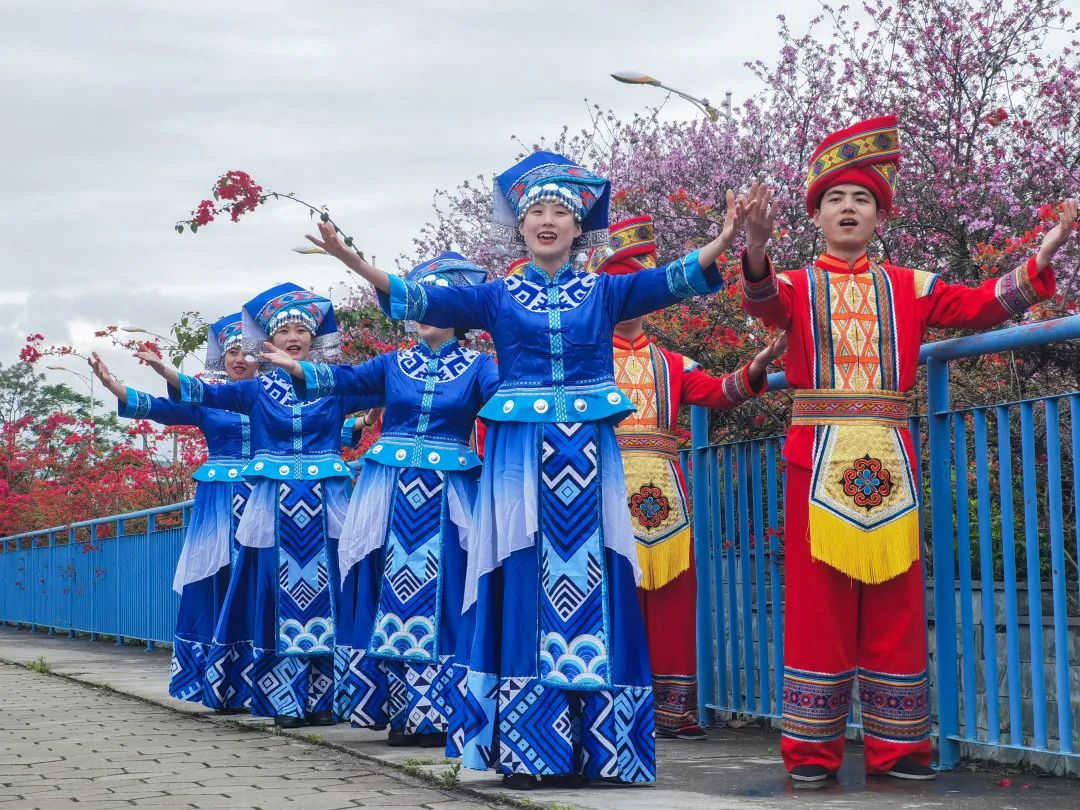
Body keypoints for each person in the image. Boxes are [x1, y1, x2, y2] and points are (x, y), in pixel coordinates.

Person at [302, 151, 750, 788]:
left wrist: (725, 241)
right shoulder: (494, 297)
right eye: (536, 211)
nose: (547, 221)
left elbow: (674, 281)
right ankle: (528, 750)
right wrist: (351, 260)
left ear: (577, 228)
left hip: (591, 453)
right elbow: (418, 297)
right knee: (521, 569)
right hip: (518, 457)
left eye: (559, 213)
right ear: (520, 227)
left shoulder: (604, 289)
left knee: (595, 572)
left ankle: (597, 753)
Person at [739, 114, 1077, 783]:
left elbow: (981, 305)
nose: (847, 208)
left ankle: (901, 750)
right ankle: (810, 752)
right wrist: (754, 244)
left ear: (881, 217)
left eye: (861, 199)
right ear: (816, 215)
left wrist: (1042, 258)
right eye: (835, 198)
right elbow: (760, 301)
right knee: (818, 606)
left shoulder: (910, 286)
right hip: (817, 456)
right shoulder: (797, 286)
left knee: (896, 604)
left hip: (889, 458)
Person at [262, 253, 499, 753]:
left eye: (438, 302)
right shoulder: (394, 364)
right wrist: (297, 367)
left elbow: (506, 406)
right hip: (391, 497)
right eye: (420, 302)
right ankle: (399, 710)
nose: (426, 312)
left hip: (450, 502)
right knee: (390, 595)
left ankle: (441, 713)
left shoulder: (480, 367)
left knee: (451, 597)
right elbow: (345, 380)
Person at [588, 215, 786, 739]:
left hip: (665, 502)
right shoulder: (585, 364)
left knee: (673, 600)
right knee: (611, 598)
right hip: (601, 494)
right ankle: (611, 705)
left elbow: (719, 394)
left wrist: (757, 367)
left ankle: (671, 712)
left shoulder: (673, 362)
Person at [147, 283, 381, 727]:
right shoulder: (256, 390)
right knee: (273, 595)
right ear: (269, 340)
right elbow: (204, 395)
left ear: (314, 338)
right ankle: (282, 702)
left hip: (326, 506)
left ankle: (329, 700)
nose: (294, 337)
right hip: (273, 509)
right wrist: (166, 370)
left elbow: (388, 387)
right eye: (284, 330)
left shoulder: (337, 384)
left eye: (302, 330)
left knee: (331, 593)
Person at [88, 313, 257, 712]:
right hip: (217, 505)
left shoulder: (278, 397)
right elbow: (162, 408)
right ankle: (221, 685)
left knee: (256, 584)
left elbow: (314, 431)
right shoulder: (207, 399)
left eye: (246, 352)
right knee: (215, 581)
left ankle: (261, 683)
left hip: (264, 500)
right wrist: (115, 385)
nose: (238, 359)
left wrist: (363, 421)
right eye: (231, 351)